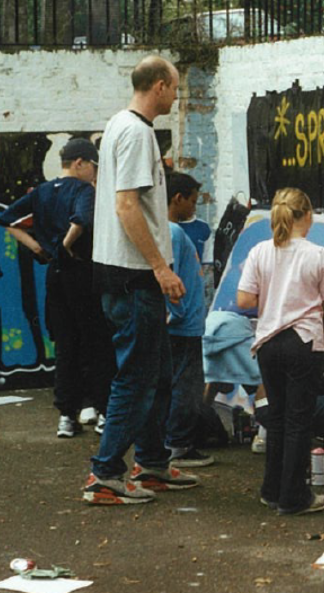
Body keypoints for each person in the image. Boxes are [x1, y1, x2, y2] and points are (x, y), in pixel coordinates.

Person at [83, 55, 198, 506]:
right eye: (174, 86)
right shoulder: (135, 132)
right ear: (159, 86)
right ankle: (105, 474)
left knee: (157, 372)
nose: (176, 94)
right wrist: (160, 267)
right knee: (136, 378)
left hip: (123, 273)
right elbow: (127, 206)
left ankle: (151, 461)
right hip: (132, 276)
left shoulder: (120, 126)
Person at [236, 188, 324, 515]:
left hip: (268, 341)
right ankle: (294, 496)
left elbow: (245, 300)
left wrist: (274, 301)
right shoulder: (317, 254)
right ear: (308, 215)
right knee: (298, 421)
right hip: (302, 341)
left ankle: (271, 489)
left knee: (277, 417)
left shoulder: (261, 251)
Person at [0, 137, 114, 439]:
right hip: (83, 274)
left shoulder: (42, 192)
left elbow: (7, 219)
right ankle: (103, 411)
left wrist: (39, 248)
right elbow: (82, 219)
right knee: (96, 344)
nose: (95, 174)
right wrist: (65, 246)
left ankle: (67, 416)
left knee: (65, 346)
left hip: (55, 277)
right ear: (79, 163)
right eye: (94, 167)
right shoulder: (85, 190)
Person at [164, 212, 215, 468]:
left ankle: (175, 441)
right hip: (182, 326)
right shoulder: (171, 232)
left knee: (184, 384)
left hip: (187, 323)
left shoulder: (171, 232)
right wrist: (175, 313)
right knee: (187, 385)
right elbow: (168, 276)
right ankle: (178, 444)